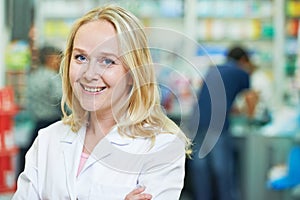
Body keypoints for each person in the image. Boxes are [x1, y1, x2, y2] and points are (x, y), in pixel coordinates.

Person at [13, 5, 191, 200]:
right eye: (80, 57)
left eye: (107, 61)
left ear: (133, 72)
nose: (89, 74)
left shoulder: (161, 147)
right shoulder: (48, 139)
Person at [187, 45, 258, 200]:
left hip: (196, 122)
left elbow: (215, 99)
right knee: (222, 169)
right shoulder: (241, 71)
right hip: (215, 125)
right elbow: (250, 98)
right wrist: (251, 117)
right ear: (244, 60)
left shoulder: (214, 69)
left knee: (200, 168)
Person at [17, 45, 63, 176]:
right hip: (52, 122)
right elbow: (61, 99)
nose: (59, 61)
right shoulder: (52, 77)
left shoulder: (33, 76)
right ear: (50, 59)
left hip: (35, 123)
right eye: (57, 58)